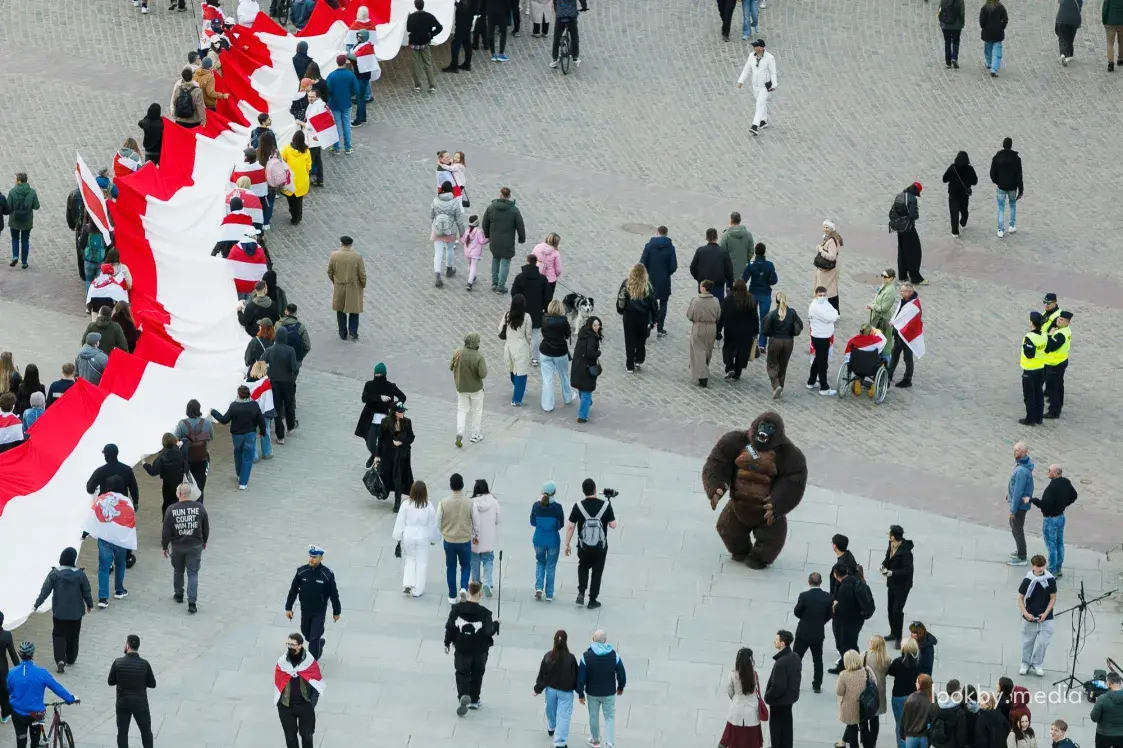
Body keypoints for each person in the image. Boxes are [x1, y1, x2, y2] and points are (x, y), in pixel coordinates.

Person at [5, 641, 77, 748]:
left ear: (20, 654)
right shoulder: (42, 673)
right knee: (35, 742)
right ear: (32, 654)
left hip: (18, 713)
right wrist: (70, 698)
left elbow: (9, 691)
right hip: (36, 713)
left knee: (21, 742)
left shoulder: (12, 673)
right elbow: (57, 688)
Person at [32, 547, 92, 674]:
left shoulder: (54, 574)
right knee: (73, 635)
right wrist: (90, 604)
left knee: (58, 635)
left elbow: (45, 591)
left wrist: (36, 604)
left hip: (59, 612)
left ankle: (60, 659)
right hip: (76, 613)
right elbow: (86, 591)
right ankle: (70, 658)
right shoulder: (80, 575)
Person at [445, 581, 498, 714]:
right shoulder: (485, 613)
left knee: (462, 673)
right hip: (480, 651)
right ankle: (474, 700)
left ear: (468, 592)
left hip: (462, 648)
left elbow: (450, 626)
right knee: (477, 674)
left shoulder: (457, 609)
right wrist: (497, 623)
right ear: (480, 594)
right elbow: (488, 631)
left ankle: (463, 694)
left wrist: (447, 642)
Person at [564, 478, 617, 609]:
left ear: (583, 491)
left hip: (584, 546)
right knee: (597, 571)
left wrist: (567, 544)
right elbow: (613, 525)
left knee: (583, 567)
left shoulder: (578, 506)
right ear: (595, 489)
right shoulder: (605, 505)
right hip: (600, 547)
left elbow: (571, 526)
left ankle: (581, 592)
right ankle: (593, 599)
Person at [284, 546, 342, 661]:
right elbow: (293, 590)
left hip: (319, 611)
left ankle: (311, 662)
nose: (311, 559)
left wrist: (337, 611)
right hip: (305, 609)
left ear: (321, 558)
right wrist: (288, 607)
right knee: (306, 633)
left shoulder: (327, 574)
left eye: (315, 557)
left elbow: (334, 594)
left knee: (314, 637)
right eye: (310, 556)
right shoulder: (302, 571)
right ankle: (319, 643)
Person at [161, 482, 208, 613]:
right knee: (193, 573)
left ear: (179, 494)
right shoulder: (199, 507)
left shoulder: (171, 509)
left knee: (178, 570)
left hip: (178, 546)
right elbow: (205, 526)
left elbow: (166, 531)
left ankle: (179, 594)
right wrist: (205, 540)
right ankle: (192, 602)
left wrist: (165, 546)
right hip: (194, 545)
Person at [210, 385, 267, 490]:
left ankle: (239, 473)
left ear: (239, 395)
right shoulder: (254, 405)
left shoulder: (234, 406)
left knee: (238, 453)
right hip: (250, 434)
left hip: (237, 435)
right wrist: (263, 432)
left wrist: (213, 412)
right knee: (248, 457)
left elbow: (224, 420)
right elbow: (261, 420)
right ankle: (243, 483)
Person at [577, 630, 625, 748]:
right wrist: (620, 687)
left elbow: (581, 678)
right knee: (610, 717)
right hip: (609, 692)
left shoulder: (586, 657)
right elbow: (621, 674)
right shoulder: (614, 655)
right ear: (605, 640)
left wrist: (580, 694)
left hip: (592, 693)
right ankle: (609, 743)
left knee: (593, 716)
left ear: (593, 639)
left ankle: (596, 741)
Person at [107, 634, 156, 748]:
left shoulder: (118, 662)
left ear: (127, 646)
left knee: (122, 733)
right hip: (140, 703)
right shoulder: (145, 664)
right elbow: (152, 684)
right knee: (146, 732)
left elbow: (110, 681)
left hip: (123, 703)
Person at [392, 481, 440, 597]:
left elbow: (400, 521)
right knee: (421, 562)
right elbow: (433, 525)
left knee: (409, 559)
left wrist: (397, 536)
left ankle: (408, 583)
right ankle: (418, 589)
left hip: (408, 535)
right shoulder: (428, 506)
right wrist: (434, 538)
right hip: (423, 536)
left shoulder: (406, 504)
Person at [274, 633, 322, 748]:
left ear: (300, 645)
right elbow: (278, 682)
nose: (289, 647)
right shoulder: (282, 662)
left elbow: (317, 684)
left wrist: (311, 703)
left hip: (305, 705)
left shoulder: (309, 662)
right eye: (288, 644)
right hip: (286, 705)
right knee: (290, 736)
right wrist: (279, 703)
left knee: (307, 735)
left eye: (292, 644)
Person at [1029, 465, 1077, 577]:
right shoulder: (1066, 482)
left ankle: (1052, 570)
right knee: (1059, 543)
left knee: (1052, 546)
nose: (1048, 472)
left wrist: (1033, 500)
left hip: (1050, 519)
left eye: (1049, 470)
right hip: (1060, 517)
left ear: (1055, 474)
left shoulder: (1052, 488)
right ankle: (1058, 568)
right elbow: (1074, 495)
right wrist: (1064, 504)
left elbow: (1045, 505)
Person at [355, 363, 406, 464]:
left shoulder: (390, 387)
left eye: (380, 374)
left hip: (385, 421)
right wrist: (379, 397)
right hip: (371, 419)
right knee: (370, 442)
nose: (377, 376)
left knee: (386, 442)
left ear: (384, 374)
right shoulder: (369, 385)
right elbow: (364, 398)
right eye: (376, 374)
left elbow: (402, 397)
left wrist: (395, 407)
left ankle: (380, 459)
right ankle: (375, 455)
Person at [535, 630, 579, 748]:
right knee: (564, 716)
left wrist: (537, 689)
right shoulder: (571, 658)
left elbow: (542, 675)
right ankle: (559, 742)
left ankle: (551, 726)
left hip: (551, 690)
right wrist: (580, 692)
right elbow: (576, 675)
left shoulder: (548, 656)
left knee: (551, 709)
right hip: (566, 691)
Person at [1017, 554, 1056, 676]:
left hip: (1046, 616)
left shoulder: (1050, 579)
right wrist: (1025, 613)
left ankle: (1037, 663)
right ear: (1033, 566)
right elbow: (1020, 598)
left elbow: (1053, 598)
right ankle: (1025, 663)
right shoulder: (1027, 580)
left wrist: (1046, 613)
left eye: (1042, 566)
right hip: (1030, 615)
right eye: (1038, 567)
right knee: (1027, 642)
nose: (1040, 569)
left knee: (1044, 642)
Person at [793, 572, 832, 693]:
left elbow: (797, 612)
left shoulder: (804, 596)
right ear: (820, 582)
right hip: (818, 632)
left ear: (809, 582)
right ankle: (817, 684)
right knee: (818, 660)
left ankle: (794, 683)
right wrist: (820, 622)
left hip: (803, 632)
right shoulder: (828, 597)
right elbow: (829, 614)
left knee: (796, 658)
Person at [438, 473, 474, 603]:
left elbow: (438, 521)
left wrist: (442, 531)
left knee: (451, 567)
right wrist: (476, 535)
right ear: (462, 485)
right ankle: (464, 587)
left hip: (449, 539)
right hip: (464, 539)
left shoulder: (443, 502)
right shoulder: (469, 502)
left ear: (451, 485)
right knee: (466, 565)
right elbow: (476, 521)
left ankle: (452, 596)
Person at [482, 187, 526, 292]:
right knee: (505, 263)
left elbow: (485, 223)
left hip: (495, 241)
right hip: (507, 242)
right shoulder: (514, 210)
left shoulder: (491, 208)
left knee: (495, 259)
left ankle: (494, 283)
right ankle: (501, 286)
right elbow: (520, 226)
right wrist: (521, 239)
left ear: (500, 195)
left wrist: (488, 235)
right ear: (509, 196)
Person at [761, 291, 802, 398]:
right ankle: (781, 387)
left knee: (772, 363)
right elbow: (799, 325)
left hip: (776, 341)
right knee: (783, 365)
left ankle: (776, 385)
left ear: (776, 301)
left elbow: (765, 329)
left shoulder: (773, 314)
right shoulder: (792, 312)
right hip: (788, 342)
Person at [618, 264, 657, 373]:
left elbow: (620, 300)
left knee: (629, 340)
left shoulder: (626, 283)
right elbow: (653, 304)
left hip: (628, 316)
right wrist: (654, 319)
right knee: (641, 339)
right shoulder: (647, 286)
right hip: (642, 317)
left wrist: (621, 311)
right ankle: (639, 359)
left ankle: (629, 365)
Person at [530, 482, 566, 601]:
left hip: (539, 540)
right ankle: (549, 594)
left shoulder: (536, 506)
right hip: (553, 541)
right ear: (554, 492)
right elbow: (560, 525)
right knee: (550, 566)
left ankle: (539, 587)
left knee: (540, 562)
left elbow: (533, 523)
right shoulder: (558, 508)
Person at [451, 333, 487, 447]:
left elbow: (451, 366)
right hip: (476, 389)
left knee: (462, 410)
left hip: (461, 387)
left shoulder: (457, 352)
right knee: (477, 411)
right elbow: (483, 374)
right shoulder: (479, 356)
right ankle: (475, 434)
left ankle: (460, 432)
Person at [377, 403, 415, 512]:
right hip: (388, 455)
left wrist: (401, 442)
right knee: (387, 475)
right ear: (394, 412)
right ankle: (385, 492)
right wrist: (377, 455)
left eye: (403, 411)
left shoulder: (407, 422)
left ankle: (397, 501)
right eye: (399, 411)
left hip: (401, 456)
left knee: (398, 478)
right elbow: (380, 440)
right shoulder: (385, 422)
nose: (402, 413)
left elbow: (411, 437)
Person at [641, 226, 678, 337]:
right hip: (664, 281)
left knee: (648, 303)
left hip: (650, 280)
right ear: (666, 234)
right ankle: (660, 329)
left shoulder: (649, 246)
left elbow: (642, 263)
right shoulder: (670, 248)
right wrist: (666, 274)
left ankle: (648, 324)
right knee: (663, 304)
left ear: (657, 232)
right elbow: (673, 266)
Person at [327, 236, 367, 341]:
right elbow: (362, 274)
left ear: (341, 244)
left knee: (340, 310)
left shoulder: (334, 255)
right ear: (351, 244)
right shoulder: (357, 256)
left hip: (339, 286)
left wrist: (335, 281)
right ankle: (353, 331)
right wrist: (363, 284)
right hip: (353, 287)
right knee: (354, 310)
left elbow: (330, 271)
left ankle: (342, 333)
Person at [881, 525, 914, 647]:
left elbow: (908, 571)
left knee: (897, 611)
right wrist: (883, 565)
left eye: (890, 534)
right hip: (892, 582)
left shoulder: (906, 553)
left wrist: (892, 573)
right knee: (890, 609)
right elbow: (887, 558)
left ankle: (899, 637)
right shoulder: (891, 544)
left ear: (893, 537)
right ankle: (893, 632)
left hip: (902, 586)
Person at [766, 631, 801, 748]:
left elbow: (778, 686)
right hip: (789, 700)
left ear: (782, 643)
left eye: (776, 639)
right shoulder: (795, 657)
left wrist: (768, 697)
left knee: (776, 730)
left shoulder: (781, 663)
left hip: (779, 703)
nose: (774, 641)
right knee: (786, 729)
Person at [539, 300, 576, 411]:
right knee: (564, 375)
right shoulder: (563, 321)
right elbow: (567, 334)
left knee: (547, 379)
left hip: (545, 350)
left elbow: (543, 332)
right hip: (560, 352)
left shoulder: (544, 319)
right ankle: (567, 397)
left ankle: (547, 405)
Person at [736, 39, 778, 135]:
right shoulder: (751, 56)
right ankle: (763, 120)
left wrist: (774, 84)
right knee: (761, 102)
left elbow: (773, 72)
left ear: (762, 47)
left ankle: (755, 125)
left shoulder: (770, 58)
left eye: (756, 46)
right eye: (754, 46)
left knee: (759, 104)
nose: (754, 48)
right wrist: (741, 80)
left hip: (765, 86)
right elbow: (746, 68)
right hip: (755, 85)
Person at [720, 279, 759, 381]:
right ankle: (737, 373)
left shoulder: (729, 299)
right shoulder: (750, 299)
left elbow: (723, 314)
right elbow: (755, 317)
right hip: (746, 331)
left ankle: (729, 367)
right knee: (742, 352)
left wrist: (719, 328)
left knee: (728, 348)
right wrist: (756, 331)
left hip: (731, 330)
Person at [175, 400, 213, 502]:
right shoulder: (207, 423)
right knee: (200, 485)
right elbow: (211, 437)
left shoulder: (182, 424)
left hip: (186, 459)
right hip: (202, 458)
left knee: (186, 484)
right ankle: (199, 505)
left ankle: (187, 503)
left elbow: (176, 440)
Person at [511, 255, 549, 358]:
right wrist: (545, 308)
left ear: (527, 261)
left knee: (521, 333)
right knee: (535, 334)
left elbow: (514, 293)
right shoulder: (542, 279)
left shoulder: (519, 277)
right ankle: (535, 358)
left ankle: (520, 355)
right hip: (537, 310)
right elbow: (547, 296)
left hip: (521, 310)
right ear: (536, 263)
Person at [143, 432, 188, 516]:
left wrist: (144, 464)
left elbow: (153, 471)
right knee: (179, 500)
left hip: (168, 483)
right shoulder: (180, 450)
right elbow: (186, 441)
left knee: (167, 502)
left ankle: (167, 519)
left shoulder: (161, 457)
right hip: (180, 481)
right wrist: (181, 441)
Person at [830, 564, 865, 671]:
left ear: (836, 575)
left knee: (844, 644)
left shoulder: (844, 589)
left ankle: (850, 666)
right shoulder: (853, 580)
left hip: (847, 621)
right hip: (857, 618)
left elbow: (844, 609)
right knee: (852, 643)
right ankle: (846, 664)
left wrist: (835, 606)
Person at [687, 280, 722, 387]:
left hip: (699, 326)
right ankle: (703, 369)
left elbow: (689, 315)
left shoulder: (696, 301)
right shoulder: (716, 301)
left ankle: (702, 375)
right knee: (707, 350)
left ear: (703, 288)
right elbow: (718, 315)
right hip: (712, 327)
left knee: (699, 351)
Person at [889, 183, 925, 285]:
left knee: (902, 251)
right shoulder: (912, 199)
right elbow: (914, 215)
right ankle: (915, 277)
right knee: (914, 252)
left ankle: (902, 275)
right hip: (908, 228)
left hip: (900, 228)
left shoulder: (900, 195)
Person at [806, 286, 840, 395]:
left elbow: (834, 311)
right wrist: (833, 316)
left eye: (824, 295)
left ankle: (811, 381)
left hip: (824, 336)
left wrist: (833, 315)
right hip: (820, 337)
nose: (822, 297)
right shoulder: (815, 307)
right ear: (816, 295)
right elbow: (829, 318)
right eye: (820, 295)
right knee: (822, 362)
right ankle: (824, 387)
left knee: (818, 359)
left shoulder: (825, 303)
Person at [744, 243, 778, 352]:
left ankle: (751, 342)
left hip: (753, 293)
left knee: (751, 318)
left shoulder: (751, 265)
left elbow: (744, 279)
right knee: (764, 319)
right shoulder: (769, 265)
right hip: (765, 294)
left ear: (755, 252)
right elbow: (774, 281)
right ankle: (762, 344)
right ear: (764, 252)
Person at [888, 638, 921, 748]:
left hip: (898, 696)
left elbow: (890, 671)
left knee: (900, 724)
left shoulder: (898, 662)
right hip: (913, 697)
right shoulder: (919, 663)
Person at [888, 283, 923, 388]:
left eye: (903, 291)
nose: (901, 293)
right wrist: (894, 322)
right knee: (895, 353)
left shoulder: (913, 305)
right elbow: (899, 313)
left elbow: (910, 321)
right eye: (901, 290)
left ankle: (907, 379)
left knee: (907, 358)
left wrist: (895, 323)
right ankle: (889, 373)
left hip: (907, 335)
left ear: (910, 292)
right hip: (899, 333)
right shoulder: (905, 300)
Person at [431, 184, 466, 288]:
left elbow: (431, 216)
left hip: (437, 230)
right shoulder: (454, 202)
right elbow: (459, 220)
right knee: (449, 249)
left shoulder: (435, 201)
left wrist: (433, 226)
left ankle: (437, 276)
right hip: (450, 229)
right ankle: (449, 269)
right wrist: (462, 234)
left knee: (438, 253)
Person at [470, 479, 501, 596]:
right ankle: (487, 582)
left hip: (474, 538)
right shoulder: (493, 502)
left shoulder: (471, 502)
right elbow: (498, 519)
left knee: (474, 561)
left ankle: (476, 584)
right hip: (488, 539)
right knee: (488, 560)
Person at [1006, 441, 1035, 566]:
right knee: (1016, 528)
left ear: (1023, 453)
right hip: (1018, 503)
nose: (1014, 452)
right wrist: (1009, 493)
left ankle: (1022, 556)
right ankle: (1020, 551)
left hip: (1019, 506)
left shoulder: (1022, 471)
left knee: (1017, 529)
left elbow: (1018, 491)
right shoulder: (1021, 466)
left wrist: (1013, 510)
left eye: (1017, 450)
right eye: (1014, 449)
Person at [501, 295, 533, 406]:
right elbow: (528, 335)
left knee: (512, 369)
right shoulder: (527, 317)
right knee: (521, 373)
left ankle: (518, 389)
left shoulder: (507, 315)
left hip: (509, 346)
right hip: (521, 347)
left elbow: (500, 329)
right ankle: (516, 399)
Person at [86, 443, 141, 508]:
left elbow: (90, 489)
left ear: (105, 456)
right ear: (117, 454)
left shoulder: (100, 471)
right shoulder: (127, 470)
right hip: (122, 505)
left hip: (105, 507)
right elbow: (133, 488)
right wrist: (135, 502)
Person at [570, 316, 603, 424]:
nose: (597, 327)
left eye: (598, 325)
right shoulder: (592, 338)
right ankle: (582, 416)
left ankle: (586, 404)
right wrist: (598, 353)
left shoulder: (583, 333)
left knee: (582, 388)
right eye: (595, 325)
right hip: (587, 368)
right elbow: (590, 354)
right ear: (590, 325)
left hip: (578, 366)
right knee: (586, 392)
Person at [990, 138, 1023, 238]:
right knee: (1012, 205)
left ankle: (1000, 230)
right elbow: (1019, 175)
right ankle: (1012, 226)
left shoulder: (997, 158)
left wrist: (996, 181)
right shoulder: (1016, 159)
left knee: (1001, 208)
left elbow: (992, 172)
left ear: (1003, 145)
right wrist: (1021, 189)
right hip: (1012, 187)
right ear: (1011, 145)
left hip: (1001, 186)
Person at [835, 650, 869, 748]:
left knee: (852, 728)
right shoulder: (866, 670)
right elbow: (873, 683)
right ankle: (842, 741)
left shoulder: (844, 675)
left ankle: (847, 744)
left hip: (850, 707)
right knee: (853, 725)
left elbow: (839, 692)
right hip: (865, 706)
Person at [690, 228, 735, 304]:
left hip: (704, 285)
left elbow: (693, 268)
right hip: (718, 286)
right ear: (717, 237)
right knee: (718, 307)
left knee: (704, 307)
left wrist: (699, 279)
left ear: (706, 238)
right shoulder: (723, 252)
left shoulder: (700, 251)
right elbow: (729, 271)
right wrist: (730, 285)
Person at [325, 55, 358, 154]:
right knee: (347, 125)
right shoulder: (350, 75)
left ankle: (336, 147)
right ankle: (348, 147)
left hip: (334, 104)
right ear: (345, 62)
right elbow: (356, 89)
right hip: (346, 103)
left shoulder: (331, 75)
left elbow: (328, 90)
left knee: (337, 126)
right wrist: (349, 95)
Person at [862, 636, 891, 748]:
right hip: (878, 692)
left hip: (866, 689)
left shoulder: (865, 655)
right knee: (875, 719)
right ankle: (873, 743)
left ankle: (865, 742)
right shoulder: (886, 658)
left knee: (864, 718)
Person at [1043, 310, 1073, 419]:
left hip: (1054, 364)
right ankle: (1058, 405)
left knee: (1052, 388)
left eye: (1062, 320)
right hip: (1061, 361)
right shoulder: (1065, 330)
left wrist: (1050, 335)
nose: (1058, 321)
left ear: (1067, 322)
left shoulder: (1061, 334)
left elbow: (1050, 346)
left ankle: (1054, 411)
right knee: (1059, 386)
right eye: (1059, 318)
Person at [7, 173, 40, 269]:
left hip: (14, 221)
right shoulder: (32, 192)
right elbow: (36, 206)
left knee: (15, 239)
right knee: (25, 240)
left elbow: (9, 207)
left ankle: (15, 256)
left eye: (15, 179)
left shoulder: (12, 192)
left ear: (19, 181)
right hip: (27, 221)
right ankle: (24, 262)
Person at [941, 152, 977, 238]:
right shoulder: (970, 169)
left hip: (953, 194)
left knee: (954, 212)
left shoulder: (953, 168)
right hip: (964, 195)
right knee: (964, 209)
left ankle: (955, 232)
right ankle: (963, 221)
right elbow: (975, 181)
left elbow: (944, 179)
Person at [926, 679, 967, 748]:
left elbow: (929, 725)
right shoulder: (960, 712)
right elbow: (961, 735)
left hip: (934, 744)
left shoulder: (935, 706)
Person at [899, 674, 933, 748]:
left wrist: (902, 734)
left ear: (921, 685)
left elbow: (904, 718)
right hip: (925, 736)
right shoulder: (932, 699)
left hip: (911, 736)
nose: (915, 684)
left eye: (917, 682)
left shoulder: (911, 698)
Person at [815, 220, 843, 312]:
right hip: (830, 269)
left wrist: (821, 250)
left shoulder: (831, 240)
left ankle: (831, 310)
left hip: (828, 270)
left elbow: (832, 256)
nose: (825, 229)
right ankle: (834, 310)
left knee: (829, 291)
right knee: (832, 290)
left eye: (827, 227)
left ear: (832, 228)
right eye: (824, 227)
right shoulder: (833, 237)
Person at [719, 212, 754, 285]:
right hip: (743, 269)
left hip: (730, 270)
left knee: (730, 292)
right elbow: (751, 252)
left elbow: (721, 253)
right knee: (741, 291)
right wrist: (745, 260)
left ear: (731, 220)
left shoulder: (725, 235)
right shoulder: (748, 235)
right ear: (740, 220)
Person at [551, 0, 588, 67]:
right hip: (571, 16)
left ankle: (555, 59)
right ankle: (575, 58)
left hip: (560, 16)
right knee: (574, 37)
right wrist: (584, 7)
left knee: (556, 37)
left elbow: (554, 2)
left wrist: (557, 10)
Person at [444, 0, 477, 72]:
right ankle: (467, 64)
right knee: (467, 43)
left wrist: (456, 4)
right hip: (468, 20)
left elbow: (463, 8)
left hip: (462, 23)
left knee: (456, 44)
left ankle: (454, 66)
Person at [1091, 673, 1123, 746]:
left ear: (1108, 683)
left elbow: (1094, 718)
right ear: (1120, 682)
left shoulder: (1102, 699)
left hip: (1104, 734)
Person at [531, 232, 563, 305]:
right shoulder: (556, 253)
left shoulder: (538, 247)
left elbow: (530, 259)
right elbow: (558, 270)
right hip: (549, 281)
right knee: (547, 300)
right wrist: (554, 276)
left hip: (536, 276)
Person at [980, 0, 1009, 75]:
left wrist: (984, 27)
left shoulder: (984, 8)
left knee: (988, 49)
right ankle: (994, 69)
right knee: (997, 52)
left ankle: (989, 63)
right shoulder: (1001, 7)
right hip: (998, 33)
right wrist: (1002, 27)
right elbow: (1005, 19)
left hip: (987, 33)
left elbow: (981, 21)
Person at [461, 215, 487, 291]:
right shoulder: (478, 231)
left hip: (467, 251)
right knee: (473, 266)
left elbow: (463, 240)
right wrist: (488, 239)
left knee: (469, 264)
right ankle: (469, 283)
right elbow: (482, 241)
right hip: (475, 253)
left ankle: (472, 276)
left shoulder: (467, 231)